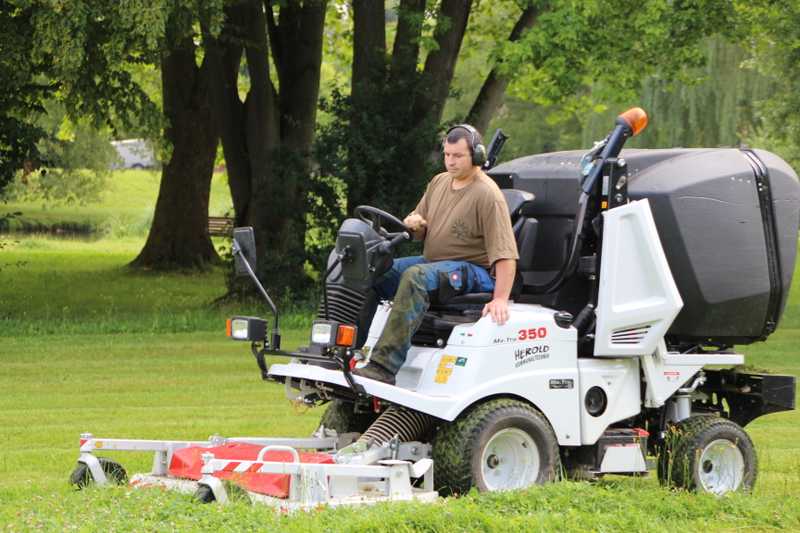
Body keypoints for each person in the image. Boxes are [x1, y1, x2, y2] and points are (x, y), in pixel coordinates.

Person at [353, 124, 519, 385]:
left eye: (458, 156)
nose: (450, 161)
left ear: (476, 156)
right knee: (374, 269)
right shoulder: (439, 182)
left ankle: (383, 367)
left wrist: (500, 299)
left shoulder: (488, 195)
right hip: (435, 264)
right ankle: (348, 351)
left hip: (473, 270)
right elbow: (419, 227)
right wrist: (415, 225)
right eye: (447, 155)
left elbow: (506, 254)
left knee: (415, 276)